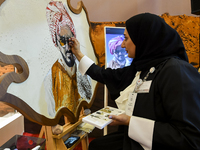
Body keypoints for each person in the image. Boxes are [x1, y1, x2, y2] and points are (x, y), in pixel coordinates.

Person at [69, 13, 200, 150]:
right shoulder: (144, 67)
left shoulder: (176, 71)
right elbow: (106, 74)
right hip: (140, 137)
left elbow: (189, 138)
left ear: (143, 39)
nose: (122, 44)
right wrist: (78, 54)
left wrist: (130, 121)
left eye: (126, 38)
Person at [44, 1, 92, 134]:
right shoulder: (51, 76)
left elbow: (88, 97)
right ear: (56, 43)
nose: (67, 48)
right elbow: (49, 114)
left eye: (69, 41)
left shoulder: (82, 68)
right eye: (61, 41)